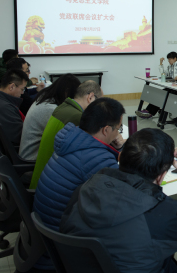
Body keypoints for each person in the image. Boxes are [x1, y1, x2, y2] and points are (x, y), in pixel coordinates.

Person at [61, 130, 177, 273]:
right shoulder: (159, 215)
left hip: (83, 267)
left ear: (119, 157)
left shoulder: (86, 188)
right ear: (161, 176)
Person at [32, 97, 127, 270]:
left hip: (45, 232)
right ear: (106, 129)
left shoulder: (72, 139)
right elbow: (123, 200)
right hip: (63, 243)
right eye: (118, 128)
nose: (118, 133)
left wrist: (116, 149)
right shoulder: (98, 159)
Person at [30, 80, 103, 189]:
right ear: (90, 97)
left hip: (43, 176)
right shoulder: (77, 117)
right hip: (52, 183)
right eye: (99, 102)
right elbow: (95, 150)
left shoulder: (63, 107)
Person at [19, 74, 81, 162]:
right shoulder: (50, 109)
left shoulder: (45, 98)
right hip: (32, 159)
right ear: (66, 92)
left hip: (31, 154)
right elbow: (66, 137)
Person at [0, 69, 29, 146]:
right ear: (12, 86)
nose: (22, 92)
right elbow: (21, 137)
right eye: (22, 89)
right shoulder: (4, 108)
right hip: (23, 148)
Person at [136, 51, 177, 119]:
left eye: (169, 59)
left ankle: (149, 112)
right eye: (168, 59)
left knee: (162, 95)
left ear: (175, 59)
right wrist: (161, 63)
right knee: (159, 94)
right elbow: (163, 74)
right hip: (171, 87)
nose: (168, 61)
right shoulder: (170, 66)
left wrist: (176, 78)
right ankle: (148, 111)